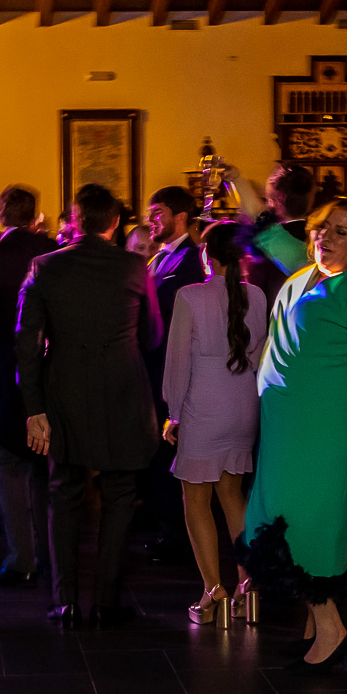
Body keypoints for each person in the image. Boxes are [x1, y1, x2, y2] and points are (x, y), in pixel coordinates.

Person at [241, 198, 347, 674]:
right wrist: (236, 186)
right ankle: (314, 629)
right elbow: (270, 233)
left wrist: (344, 381)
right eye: (321, 229)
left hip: (325, 428)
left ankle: (332, 631)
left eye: (341, 232)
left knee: (301, 529)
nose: (326, 239)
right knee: (282, 520)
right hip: (287, 427)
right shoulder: (304, 274)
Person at [19, 183, 164, 627]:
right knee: (120, 495)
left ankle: (65, 601)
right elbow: (153, 337)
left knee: (64, 493)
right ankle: (106, 599)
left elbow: (26, 343)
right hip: (122, 389)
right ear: (116, 222)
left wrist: (34, 407)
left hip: (65, 389)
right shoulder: (136, 267)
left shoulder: (45, 267)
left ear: (75, 219)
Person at [161, 221, 266, 626]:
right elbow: (261, 354)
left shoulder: (191, 295)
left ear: (208, 255)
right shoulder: (256, 295)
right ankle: (248, 583)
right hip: (243, 402)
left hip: (203, 404)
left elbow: (177, 361)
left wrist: (173, 411)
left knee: (196, 501)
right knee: (232, 493)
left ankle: (213, 590)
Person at [0, 186, 59, 587]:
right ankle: (52, 553)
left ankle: (22, 558)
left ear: (1, 212)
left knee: (7, 461)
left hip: (4, 367)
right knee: (43, 464)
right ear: (34, 214)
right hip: (51, 367)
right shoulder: (56, 250)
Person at [144, 185, 206, 564]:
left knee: (172, 453)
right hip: (154, 367)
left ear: (180, 216)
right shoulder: (159, 259)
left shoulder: (191, 262)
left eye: (158, 212)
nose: (151, 221)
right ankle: (167, 525)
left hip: (174, 367)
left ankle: (178, 532)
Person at [253, 165, 314, 274]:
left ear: (274, 201)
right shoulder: (319, 237)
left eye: (268, 199)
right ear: (310, 198)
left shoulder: (269, 237)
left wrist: (236, 180)